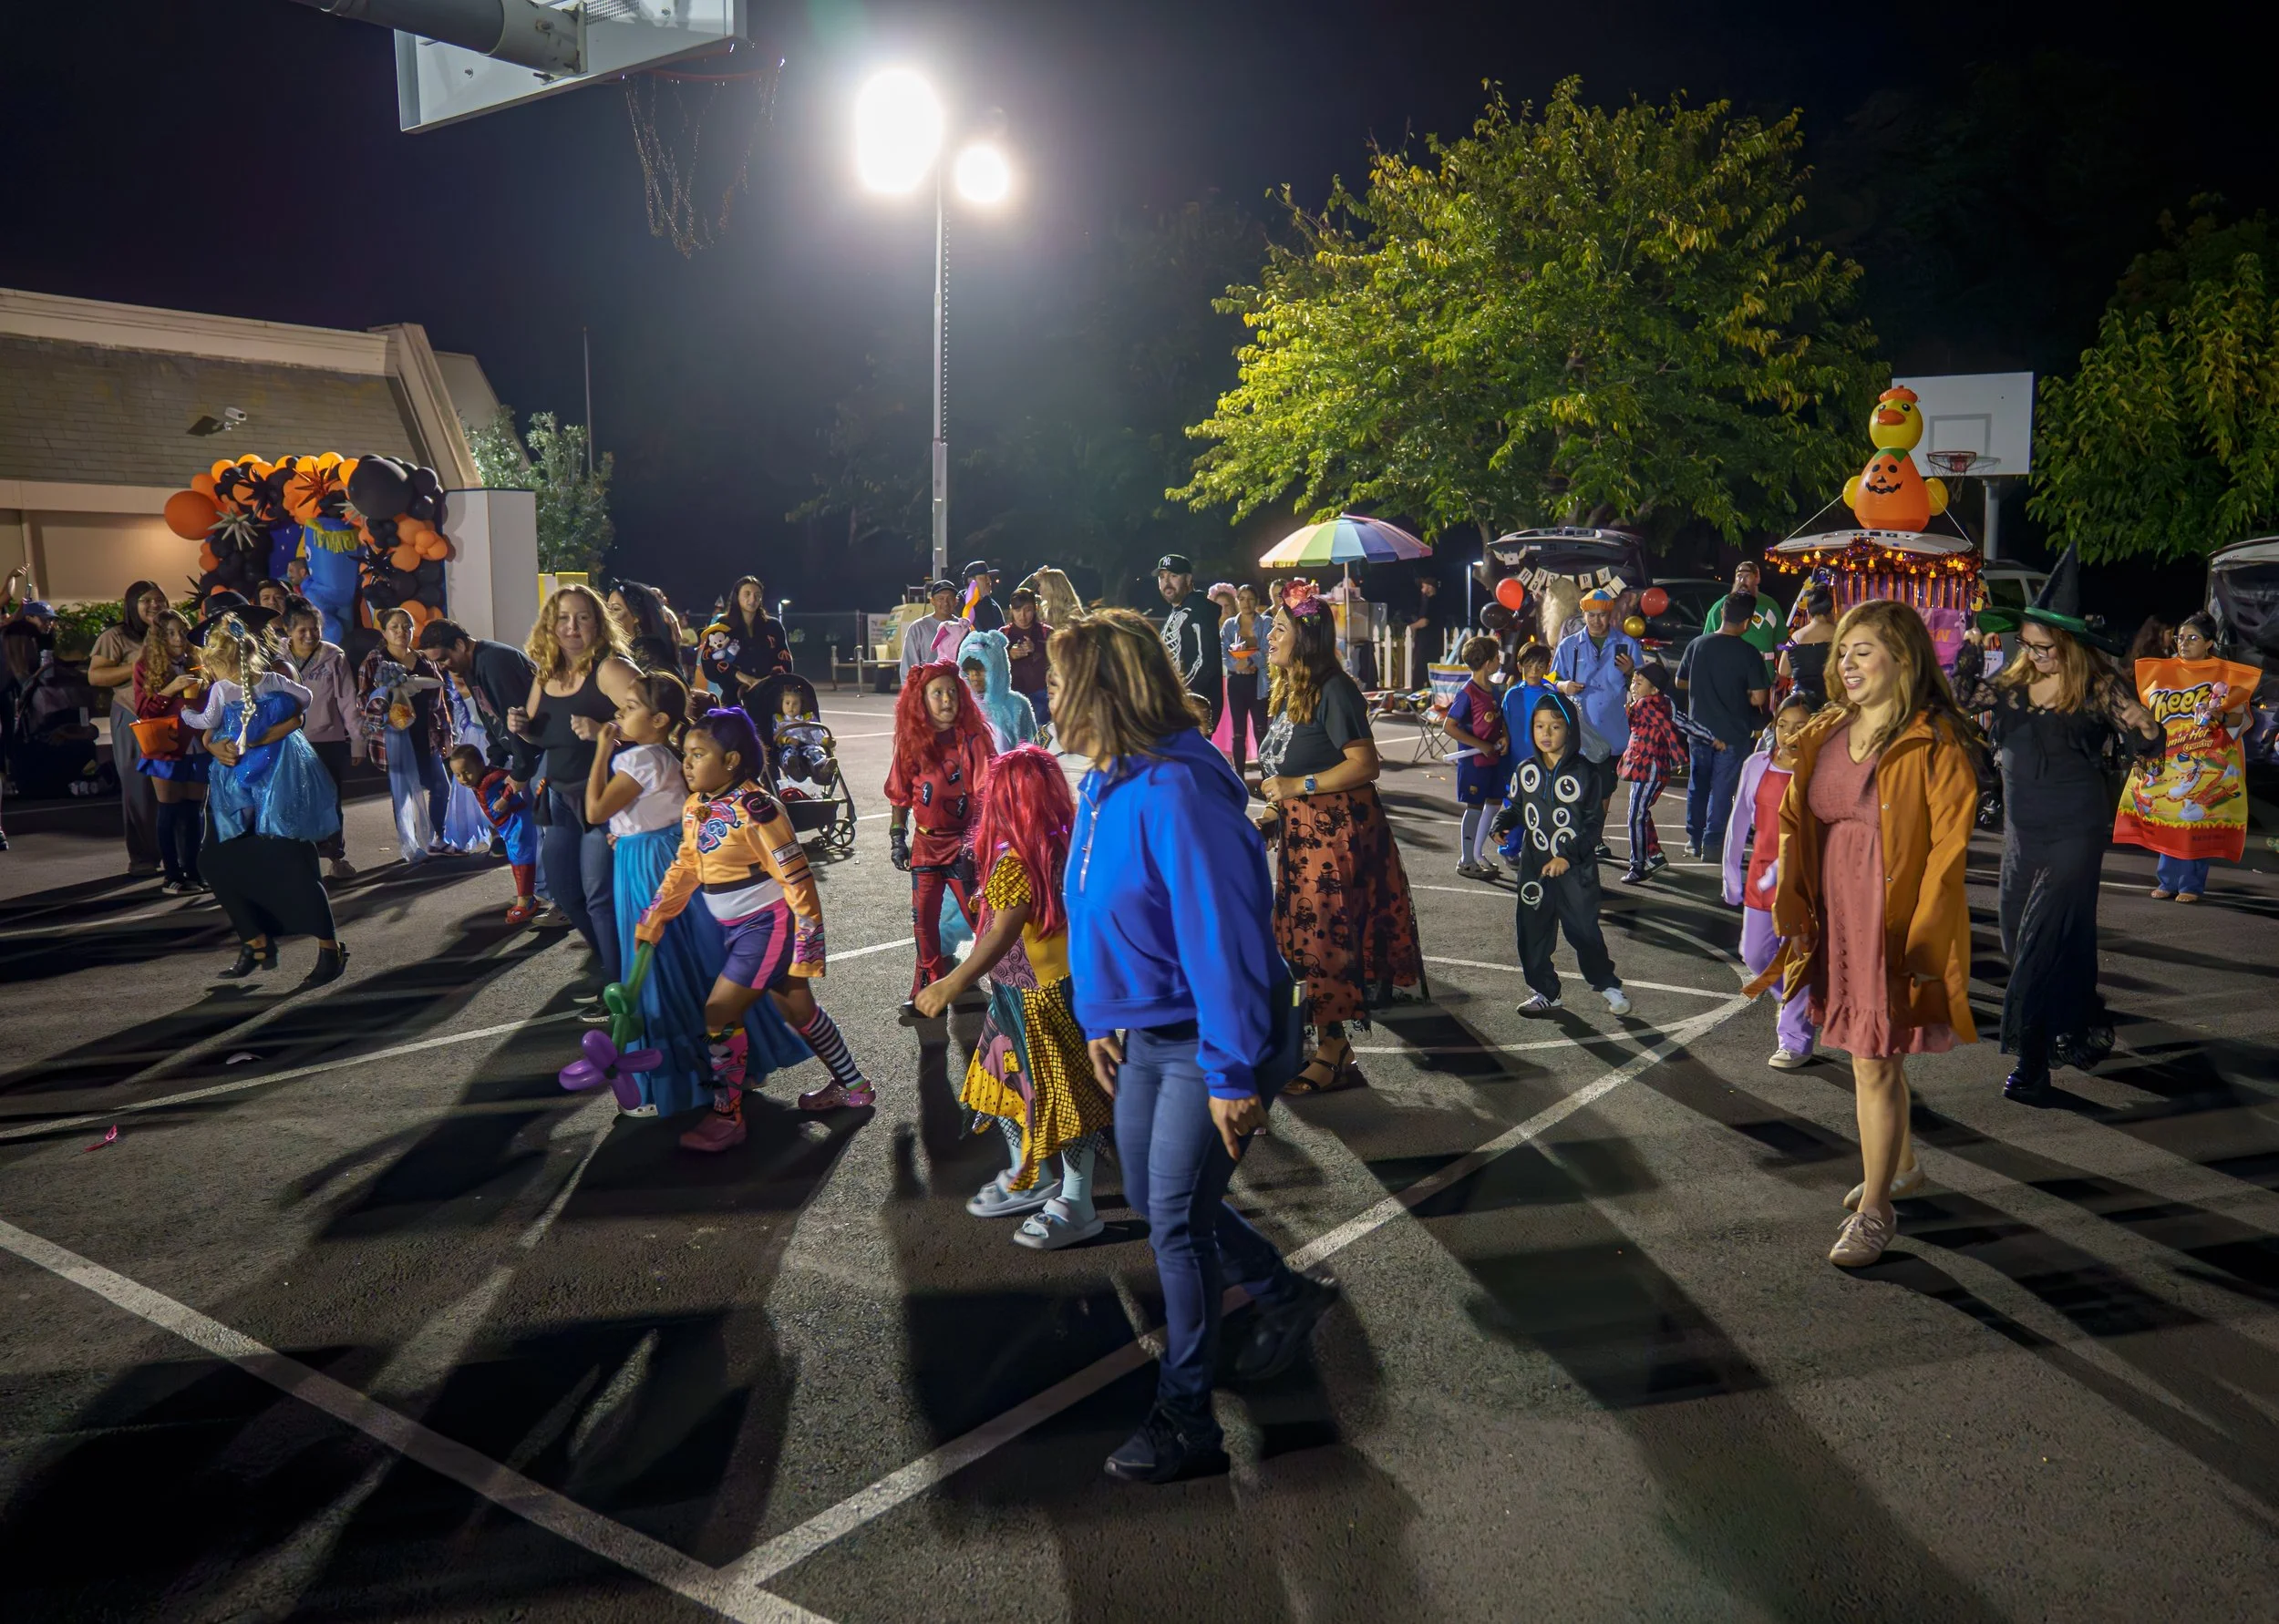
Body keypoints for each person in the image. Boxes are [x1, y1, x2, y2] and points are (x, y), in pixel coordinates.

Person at [1053, 608, 1335, 1483]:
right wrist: (1100, 1015)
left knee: (1173, 1223)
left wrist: (1231, 1069)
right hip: (1148, 1032)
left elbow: (1225, 939)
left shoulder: (1177, 786)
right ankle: (1284, 1296)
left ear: (1105, 689)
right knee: (1149, 1193)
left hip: (1205, 1038)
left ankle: (1188, 1422)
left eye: (1062, 680)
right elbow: (1096, 905)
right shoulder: (1109, 780)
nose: (1049, 693)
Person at [1754, 600, 1980, 1268]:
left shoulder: (1934, 741)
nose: (1845, 663)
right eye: (1842, 651)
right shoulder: (1827, 729)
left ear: (1903, 658)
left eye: (1862, 651)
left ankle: (1879, 1210)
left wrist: (1922, 936)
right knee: (1865, 1053)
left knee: (1874, 1060)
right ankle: (1902, 1165)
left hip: (1890, 918)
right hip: (1836, 916)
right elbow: (1797, 819)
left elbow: (1948, 850)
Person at [1953, 547, 2160, 1102]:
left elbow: (2145, 733)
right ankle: (2076, 1020)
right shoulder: (2012, 689)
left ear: (2068, 646)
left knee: (2042, 941)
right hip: (2023, 836)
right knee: (2021, 937)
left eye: (2046, 647)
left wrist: (2144, 729)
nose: (2036, 654)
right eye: (2029, 645)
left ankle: (2031, 1060)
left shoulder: (2097, 689)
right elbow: (1961, 699)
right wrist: (1972, 648)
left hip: (2076, 833)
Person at [637, 708, 875, 1146]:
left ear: (730, 760)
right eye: (684, 754)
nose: (686, 763)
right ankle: (854, 1087)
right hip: (738, 929)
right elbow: (687, 866)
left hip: (767, 928)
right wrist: (655, 916)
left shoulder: (757, 811)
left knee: (719, 1013)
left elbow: (797, 879)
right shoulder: (696, 806)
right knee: (798, 1011)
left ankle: (728, 1117)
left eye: (698, 754)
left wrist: (808, 949)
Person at [912, 743, 1114, 1249]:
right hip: (1026, 993)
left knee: (1063, 1105)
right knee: (1004, 1089)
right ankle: (1033, 1173)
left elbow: (1000, 933)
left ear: (1008, 802)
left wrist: (951, 982)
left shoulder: (1015, 864)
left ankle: (1077, 1201)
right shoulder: (1063, 843)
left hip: (1040, 1001)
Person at [1257, 581, 1425, 1094]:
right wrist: (1275, 807)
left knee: (1326, 941)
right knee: (1304, 941)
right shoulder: (1291, 689)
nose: (1269, 638)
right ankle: (1333, 1044)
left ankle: (1333, 1051)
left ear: (1304, 638)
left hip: (1335, 837)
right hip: (1303, 833)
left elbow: (1364, 763)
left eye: (1279, 629)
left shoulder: (1334, 688)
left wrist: (1296, 786)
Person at [186, 616, 347, 985]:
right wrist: (216, 746)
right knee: (215, 860)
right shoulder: (223, 678)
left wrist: (254, 743)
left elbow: (297, 716)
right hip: (235, 785)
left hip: (277, 781)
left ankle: (329, 948)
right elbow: (213, 727)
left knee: (291, 862)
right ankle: (255, 940)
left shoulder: (273, 667)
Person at [512, 583, 645, 983]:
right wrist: (521, 727)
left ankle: (621, 986)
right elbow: (541, 734)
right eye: (563, 618)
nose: (572, 626)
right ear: (550, 626)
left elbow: (655, 718)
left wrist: (606, 728)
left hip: (604, 797)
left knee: (599, 896)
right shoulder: (547, 671)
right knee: (566, 894)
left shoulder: (611, 668)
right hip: (560, 796)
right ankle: (613, 966)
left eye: (582, 617)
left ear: (597, 624)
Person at [1491, 690, 1632, 1016]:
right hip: (1535, 866)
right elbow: (1516, 805)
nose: (1546, 734)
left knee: (1583, 931)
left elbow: (1593, 824)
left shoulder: (1586, 773)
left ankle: (1608, 984)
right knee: (1532, 930)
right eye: (1539, 727)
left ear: (1570, 729)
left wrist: (1567, 856)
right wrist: (1503, 821)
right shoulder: (1526, 770)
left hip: (1576, 870)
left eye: (1554, 727)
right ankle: (1545, 991)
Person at [2121, 612, 2257, 902]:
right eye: (2180, 638)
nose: (2184, 643)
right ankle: (2167, 880)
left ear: (2209, 643)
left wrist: (2220, 714)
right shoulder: (2161, 672)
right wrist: (2142, 752)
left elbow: (2241, 721)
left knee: (2193, 822)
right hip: (2168, 758)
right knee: (2168, 818)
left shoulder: (2227, 675)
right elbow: (2149, 718)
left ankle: (2191, 885)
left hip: (2205, 759)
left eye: (2193, 638)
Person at [886, 662, 997, 1000]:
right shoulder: (912, 742)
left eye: (952, 691)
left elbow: (988, 794)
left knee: (981, 918)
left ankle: (1007, 986)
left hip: (964, 846)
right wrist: (896, 837)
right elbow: (900, 791)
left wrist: (978, 842)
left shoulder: (974, 739)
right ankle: (926, 985)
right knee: (923, 921)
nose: (946, 699)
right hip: (925, 844)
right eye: (937, 693)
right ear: (921, 699)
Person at [1723, 691, 1819, 1067]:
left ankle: (1794, 1039)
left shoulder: (1819, 770)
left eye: (1800, 726)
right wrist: (1731, 872)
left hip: (1803, 879)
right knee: (1755, 953)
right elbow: (1738, 821)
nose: (1789, 733)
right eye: (1782, 724)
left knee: (1796, 956)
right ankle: (1796, 1002)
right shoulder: (1757, 764)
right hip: (1760, 877)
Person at [1677, 592, 1770, 859]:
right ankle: (1714, 843)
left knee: (1698, 784)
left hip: (1699, 730)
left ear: (1722, 614)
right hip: (1733, 732)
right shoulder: (1749, 653)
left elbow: (1680, 681)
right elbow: (1759, 697)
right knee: (1722, 788)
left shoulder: (1697, 644)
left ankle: (1695, 839)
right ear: (1747, 623)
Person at [1552, 586, 1644, 857]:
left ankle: (1595, 838)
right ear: (1584, 615)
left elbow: (1642, 687)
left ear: (1610, 615)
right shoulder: (1569, 645)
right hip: (1580, 732)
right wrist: (1564, 685)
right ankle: (1577, 834)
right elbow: (1550, 679)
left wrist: (1630, 673)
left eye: (1601, 616)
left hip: (1613, 733)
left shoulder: (1628, 645)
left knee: (1604, 790)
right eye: (1591, 615)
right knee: (1578, 788)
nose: (1596, 621)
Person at [88, 580, 170, 877]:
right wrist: (138, 664)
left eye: (159, 600)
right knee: (139, 789)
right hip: (132, 716)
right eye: (146, 600)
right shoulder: (117, 636)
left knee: (175, 789)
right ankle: (143, 858)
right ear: (132, 605)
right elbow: (95, 677)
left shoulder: (172, 633)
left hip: (169, 718)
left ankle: (176, 855)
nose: (154, 606)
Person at [356, 608, 453, 864]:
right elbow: (362, 701)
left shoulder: (425, 659)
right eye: (395, 627)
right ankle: (410, 844)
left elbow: (440, 700)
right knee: (403, 794)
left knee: (441, 787)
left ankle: (437, 837)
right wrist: (386, 708)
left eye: (407, 627)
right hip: (395, 738)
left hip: (427, 734)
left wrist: (447, 733)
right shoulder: (374, 661)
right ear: (384, 631)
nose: (402, 632)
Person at [129, 609, 211, 894]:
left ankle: (195, 870)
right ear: (159, 638)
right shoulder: (145, 666)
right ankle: (172, 875)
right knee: (170, 810)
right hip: (166, 746)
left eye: (182, 631)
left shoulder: (197, 661)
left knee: (195, 810)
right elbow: (143, 710)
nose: (178, 638)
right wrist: (170, 689)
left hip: (198, 744)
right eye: (171, 633)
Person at [281, 600, 361, 879]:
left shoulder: (334, 656)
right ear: (288, 630)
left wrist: (357, 739)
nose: (309, 635)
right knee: (294, 801)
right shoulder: (276, 656)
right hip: (288, 741)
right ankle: (299, 860)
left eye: (314, 629)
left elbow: (348, 700)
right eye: (302, 630)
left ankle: (337, 858)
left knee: (330, 801)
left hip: (329, 740)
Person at [414, 618, 541, 789]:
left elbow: (516, 719)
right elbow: (489, 717)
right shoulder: (471, 666)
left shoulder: (494, 662)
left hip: (541, 755)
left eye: (442, 659)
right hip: (530, 757)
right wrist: (495, 762)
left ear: (459, 645)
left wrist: (521, 771)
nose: (441, 667)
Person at [448, 744, 538, 924]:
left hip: (516, 820)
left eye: (466, 772)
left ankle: (525, 901)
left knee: (522, 859)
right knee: (516, 860)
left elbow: (513, 778)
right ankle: (526, 895)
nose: (463, 778)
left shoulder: (492, 777)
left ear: (480, 766)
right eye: (457, 775)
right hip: (506, 825)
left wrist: (505, 798)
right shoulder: (480, 781)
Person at [1445, 634, 1510, 879]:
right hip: (1474, 761)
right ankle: (1466, 860)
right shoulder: (1468, 693)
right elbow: (1449, 726)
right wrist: (1480, 745)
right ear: (1488, 662)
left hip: (1494, 758)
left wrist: (1504, 738)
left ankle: (1478, 853)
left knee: (1493, 803)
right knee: (1474, 807)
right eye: (1497, 657)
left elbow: (1500, 721)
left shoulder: (1494, 689)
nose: (1499, 661)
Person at [1615, 661, 1686, 884]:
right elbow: (1679, 723)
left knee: (1635, 815)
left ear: (1654, 689)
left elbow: (1667, 729)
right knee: (1641, 812)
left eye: (1639, 683)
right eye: (1633, 682)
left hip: (1649, 767)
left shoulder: (1646, 705)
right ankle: (1654, 855)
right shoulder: (1663, 702)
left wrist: (1679, 756)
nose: (1633, 687)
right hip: (1646, 766)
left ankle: (1638, 865)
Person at [1156, 553, 1224, 728]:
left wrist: (1181, 695)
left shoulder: (1199, 609)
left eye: (1173, 575)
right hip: (1175, 705)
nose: (1166, 582)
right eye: (1162, 577)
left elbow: (1205, 661)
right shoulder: (1176, 612)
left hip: (1194, 708)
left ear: (1188, 579)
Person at [700, 576, 792, 704]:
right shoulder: (723, 626)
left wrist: (766, 681)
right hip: (733, 700)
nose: (753, 599)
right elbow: (709, 664)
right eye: (747, 594)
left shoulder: (773, 626)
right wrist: (741, 677)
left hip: (769, 697)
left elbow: (785, 662)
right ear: (737, 596)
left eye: (757, 595)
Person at [957, 627, 1037, 753]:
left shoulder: (1017, 706)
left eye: (980, 669)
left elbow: (1032, 748)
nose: (974, 676)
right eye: (968, 671)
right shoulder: (961, 707)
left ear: (996, 668)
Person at [1702, 559, 1784, 677]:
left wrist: (1782, 673)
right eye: (1739, 576)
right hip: (1730, 676)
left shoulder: (1770, 605)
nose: (1742, 580)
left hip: (1764, 675)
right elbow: (1707, 642)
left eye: (1747, 576)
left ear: (1757, 578)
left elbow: (1780, 641)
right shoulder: (1721, 607)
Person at [1220, 582, 1269, 775]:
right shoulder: (1230, 624)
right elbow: (1223, 650)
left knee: (1260, 731)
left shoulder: (1266, 623)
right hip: (1236, 683)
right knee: (1238, 733)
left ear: (1257, 601)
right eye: (1242, 599)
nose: (1246, 603)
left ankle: (1267, 774)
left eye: (1250, 599)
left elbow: (1267, 649)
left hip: (1258, 681)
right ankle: (1239, 776)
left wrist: (1249, 661)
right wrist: (1236, 665)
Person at [1778, 582, 1838, 710]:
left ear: (1809, 611)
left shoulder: (1795, 638)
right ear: (1831, 610)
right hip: (1832, 702)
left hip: (1803, 704)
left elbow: (1783, 670)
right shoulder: (1839, 634)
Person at [607, 579, 685, 675]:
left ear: (636, 616)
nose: (608, 615)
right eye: (607, 609)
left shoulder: (648, 651)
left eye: (616, 609)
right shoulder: (620, 647)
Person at [1002, 588, 1054, 724]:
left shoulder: (1046, 633)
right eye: (1018, 610)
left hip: (1041, 694)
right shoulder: (1003, 635)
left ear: (1036, 608)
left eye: (1028, 610)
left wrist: (1037, 650)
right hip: (1012, 695)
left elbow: (1057, 663)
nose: (1023, 616)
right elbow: (993, 664)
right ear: (1011, 610)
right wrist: (1009, 655)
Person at [898, 580, 961, 685]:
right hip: (928, 692)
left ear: (956, 601)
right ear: (932, 601)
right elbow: (909, 666)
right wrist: (912, 694)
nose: (945, 603)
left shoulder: (962, 627)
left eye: (950, 598)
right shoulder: (918, 627)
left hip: (955, 692)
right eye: (940, 598)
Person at [960, 560, 1005, 632]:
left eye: (989, 577)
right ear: (971, 581)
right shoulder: (959, 605)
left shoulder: (993, 606)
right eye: (984, 578)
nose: (989, 581)